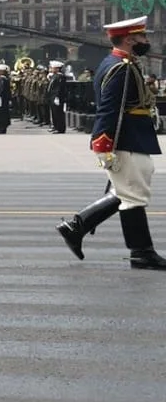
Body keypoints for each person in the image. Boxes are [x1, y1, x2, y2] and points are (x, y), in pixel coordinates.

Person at [58, 16, 166, 269]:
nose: (146, 41)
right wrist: (104, 143)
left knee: (126, 191)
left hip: (133, 136)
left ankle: (77, 226)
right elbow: (110, 108)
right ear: (129, 39)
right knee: (133, 195)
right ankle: (141, 252)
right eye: (142, 37)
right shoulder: (121, 68)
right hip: (126, 138)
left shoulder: (118, 62)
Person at [47, 60, 68, 134]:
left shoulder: (60, 76)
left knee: (58, 113)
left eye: (53, 68)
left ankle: (60, 128)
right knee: (54, 113)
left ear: (57, 68)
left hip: (57, 98)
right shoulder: (54, 76)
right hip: (52, 97)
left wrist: (57, 97)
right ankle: (55, 126)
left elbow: (59, 88)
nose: (51, 69)